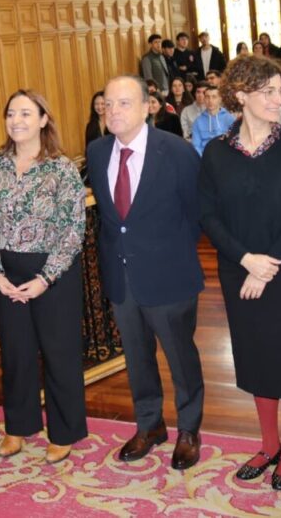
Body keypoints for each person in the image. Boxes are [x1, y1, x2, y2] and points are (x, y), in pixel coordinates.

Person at [198, 58, 281, 491]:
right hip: (237, 270)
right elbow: (208, 216)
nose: (277, 98)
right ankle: (268, 444)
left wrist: (266, 266)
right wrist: (246, 260)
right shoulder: (216, 152)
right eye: (267, 91)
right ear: (242, 95)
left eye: (280, 91)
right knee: (254, 355)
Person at [87, 75, 206, 470]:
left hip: (169, 277)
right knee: (137, 359)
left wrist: (165, 252)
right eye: (108, 103)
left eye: (124, 103)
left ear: (146, 107)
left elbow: (196, 215)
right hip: (122, 279)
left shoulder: (176, 151)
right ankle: (149, 425)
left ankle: (189, 428)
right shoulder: (97, 151)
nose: (113, 111)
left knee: (180, 359)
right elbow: (111, 220)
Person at [0, 90, 86, 464]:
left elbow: (74, 228)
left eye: (26, 113)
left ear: (42, 119)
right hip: (7, 273)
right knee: (16, 354)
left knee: (59, 354)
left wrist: (45, 278)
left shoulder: (61, 168)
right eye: (11, 113)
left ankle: (64, 431)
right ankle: (19, 428)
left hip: (53, 274)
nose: (17, 120)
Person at [191, 85, 236, 155]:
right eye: (207, 97)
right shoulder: (197, 122)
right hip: (206, 157)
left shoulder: (230, 119)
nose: (210, 100)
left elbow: (235, 142)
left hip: (226, 156)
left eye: (214, 97)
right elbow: (196, 146)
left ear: (220, 99)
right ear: (204, 99)